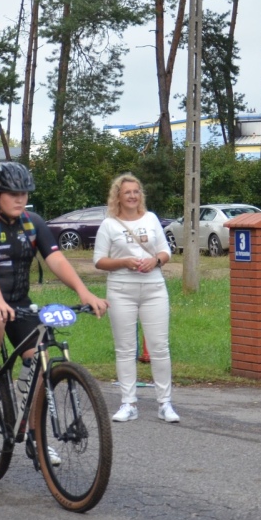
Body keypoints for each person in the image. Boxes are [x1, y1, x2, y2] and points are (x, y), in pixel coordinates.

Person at [0, 161, 107, 413]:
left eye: (23, 194)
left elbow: (56, 260)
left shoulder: (33, 222)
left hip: (18, 298)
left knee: (39, 360)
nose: (19, 200)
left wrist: (84, 292)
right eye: (13, 194)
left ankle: (34, 439)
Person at [92, 174, 176, 423]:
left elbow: (166, 251)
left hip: (154, 289)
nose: (132, 196)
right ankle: (128, 403)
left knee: (160, 347)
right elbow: (99, 260)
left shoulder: (150, 219)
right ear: (117, 196)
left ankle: (165, 404)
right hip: (121, 290)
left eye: (136, 191)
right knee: (125, 349)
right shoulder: (109, 224)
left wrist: (155, 260)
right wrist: (124, 262)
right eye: (127, 192)